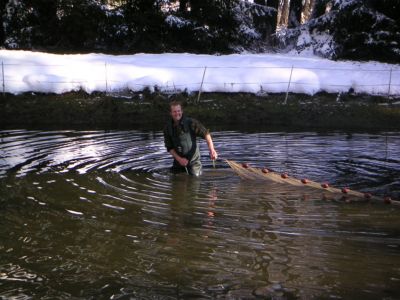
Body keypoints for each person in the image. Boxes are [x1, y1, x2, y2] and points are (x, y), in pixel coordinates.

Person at [163, 100, 218, 176]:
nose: (177, 113)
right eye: (174, 111)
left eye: (178, 111)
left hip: (193, 162)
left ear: (182, 111)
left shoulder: (191, 123)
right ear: (171, 113)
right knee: (175, 180)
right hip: (178, 161)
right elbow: (169, 147)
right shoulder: (167, 128)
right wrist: (179, 159)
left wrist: (212, 150)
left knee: (194, 180)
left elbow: (206, 134)